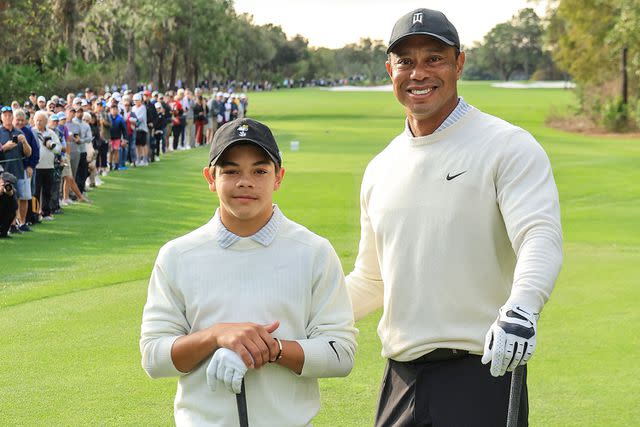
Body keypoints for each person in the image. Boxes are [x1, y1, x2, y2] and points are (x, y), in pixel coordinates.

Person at [345, 8, 563, 427]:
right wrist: (296, 315)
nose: (418, 73)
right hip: (399, 378)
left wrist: (522, 308)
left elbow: (539, 234)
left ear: (459, 63)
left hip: (482, 374)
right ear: (389, 68)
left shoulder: (507, 145)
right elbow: (371, 281)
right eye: (406, 61)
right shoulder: (381, 167)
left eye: (434, 58)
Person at [140, 118, 357, 426]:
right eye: (230, 171)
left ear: (278, 177)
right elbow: (154, 357)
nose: (245, 182)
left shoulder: (314, 252)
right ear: (210, 178)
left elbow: (341, 354)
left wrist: (271, 349)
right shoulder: (178, 255)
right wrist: (216, 336)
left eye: (259, 171)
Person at [0, 106, 32, 235]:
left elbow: (28, 153)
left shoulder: (19, 132)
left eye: (9, 115)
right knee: (9, 200)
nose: (8, 117)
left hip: (18, 170)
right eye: (5, 115)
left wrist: (24, 142)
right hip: (4, 172)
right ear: (1, 117)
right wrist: (5, 147)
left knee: (21, 198)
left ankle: (19, 224)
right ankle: (10, 226)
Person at [0, 169, 18, 238]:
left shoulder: (12, 191)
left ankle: (3, 233)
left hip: (3, 214)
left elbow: (15, 207)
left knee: (12, 213)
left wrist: (11, 196)